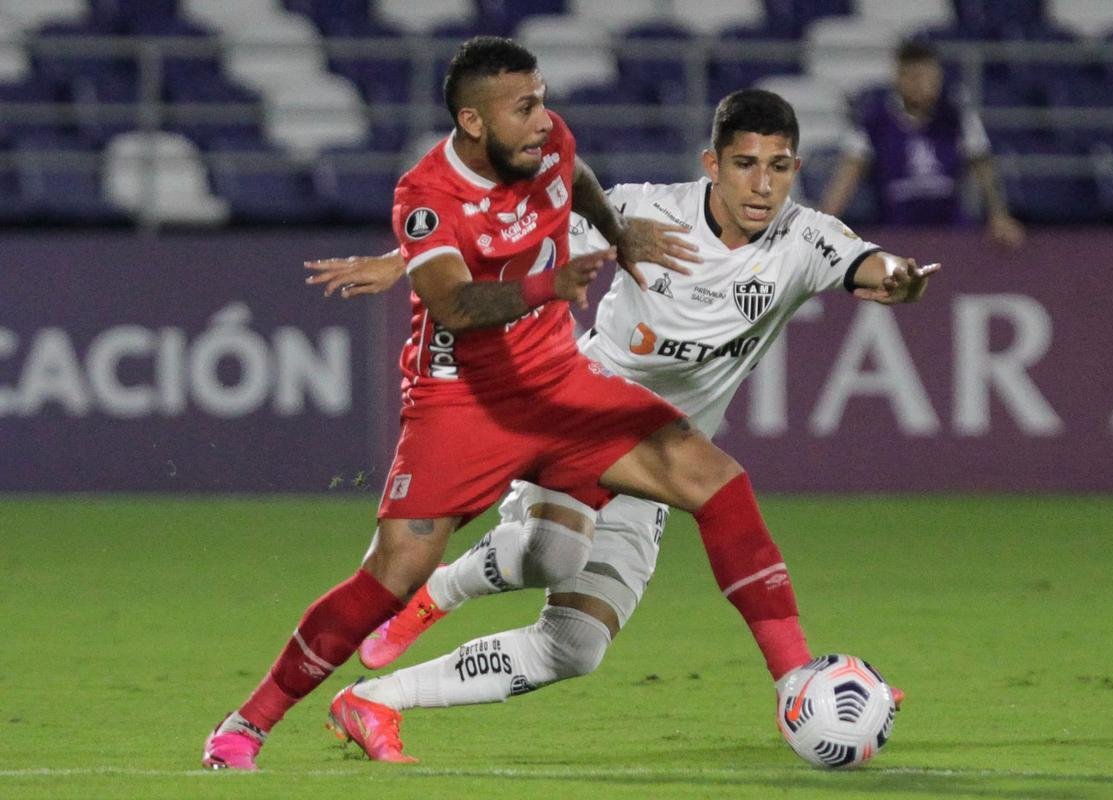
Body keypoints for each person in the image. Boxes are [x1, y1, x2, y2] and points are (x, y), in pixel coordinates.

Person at [199, 37, 872, 771]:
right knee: (392, 575)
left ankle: (796, 681)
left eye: (543, 99)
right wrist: (543, 287)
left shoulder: (548, 147)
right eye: (525, 107)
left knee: (714, 481)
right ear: (475, 121)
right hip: (465, 401)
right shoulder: (424, 196)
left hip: (559, 381)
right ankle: (247, 724)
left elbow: (576, 178)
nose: (544, 119)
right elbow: (455, 304)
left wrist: (618, 236)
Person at [819, 38, 1025, 248]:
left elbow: (983, 167)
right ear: (900, 77)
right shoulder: (874, 121)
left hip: (950, 230)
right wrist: (824, 222)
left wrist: (999, 216)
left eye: (931, 77)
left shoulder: (956, 116)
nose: (925, 85)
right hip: (896, 232)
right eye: (917, 77)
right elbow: (847, 174)